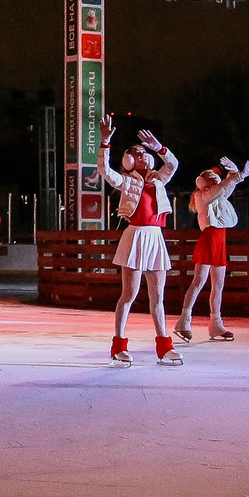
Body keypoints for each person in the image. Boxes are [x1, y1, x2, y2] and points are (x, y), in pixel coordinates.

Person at [99, 117, 182, 366]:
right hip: (135, 236)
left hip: (155, 237)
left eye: (145, 152)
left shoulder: (159, 178)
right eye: (137, 152)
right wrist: (105, 142)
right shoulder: (126, 181)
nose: (143, 155)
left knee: (158, 297)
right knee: (129, 294)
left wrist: (158, 146)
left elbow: (174, 163)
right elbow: (104, 171)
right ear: (129, 160)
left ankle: (164, 346)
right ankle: (118, 345)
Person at [179, 155, 249, 342]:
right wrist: (235, 175)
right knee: (199, 281)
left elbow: (226, 188)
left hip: (219, 239)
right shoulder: (203, 195)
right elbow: (222, 188)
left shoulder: (216, 196)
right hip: (210, 239)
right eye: (212, 177)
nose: (216, 178)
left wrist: (237, 175)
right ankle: (184, 320)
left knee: (218, 285)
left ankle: (216, 323)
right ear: (205, 182)